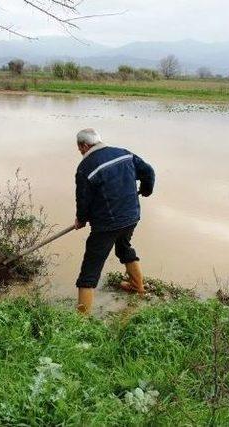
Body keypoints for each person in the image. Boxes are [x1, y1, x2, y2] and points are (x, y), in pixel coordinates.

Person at [73, 128, 155, 315]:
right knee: (124, 247)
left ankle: (81, 319)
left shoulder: (85, 168)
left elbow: (83, 199)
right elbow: (148, 171)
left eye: (79, 149)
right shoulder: (124, 154)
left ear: (84, 146)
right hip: (131, 216)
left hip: (106, 225)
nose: (80, 153)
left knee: (90, 268)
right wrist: (146, 190)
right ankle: (137, 287)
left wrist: (81, 219)